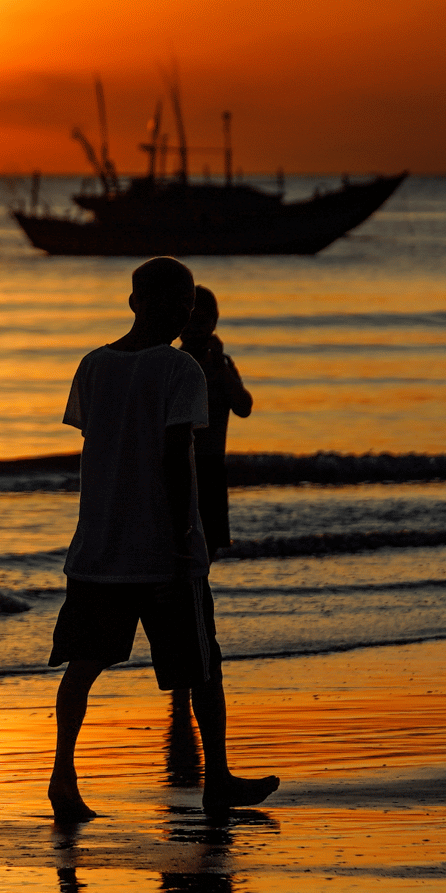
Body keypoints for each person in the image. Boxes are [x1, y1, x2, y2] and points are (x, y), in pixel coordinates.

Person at [49, 256, 278, 820]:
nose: (181, 313)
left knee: (86, 665)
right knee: (202, 668)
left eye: (187, 305)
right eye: (174, 303)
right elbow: (178, 456)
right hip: (160, 552)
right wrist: (183, 537)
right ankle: (216, 778)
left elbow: (95, 443)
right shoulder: (183, 372)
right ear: (137, 302)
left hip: (99, 548)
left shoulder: (94, 365)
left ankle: (63, 776)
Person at [178, 286, 253, 558]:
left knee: (207, 549)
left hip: (211, 466)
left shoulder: (221, 365)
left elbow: (243, 407)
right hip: (179, 466)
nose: (195, 328)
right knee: (180, 546)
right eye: (189, 320)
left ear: (214, 322)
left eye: (202, 320)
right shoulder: (174, 363)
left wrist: (219, 369)